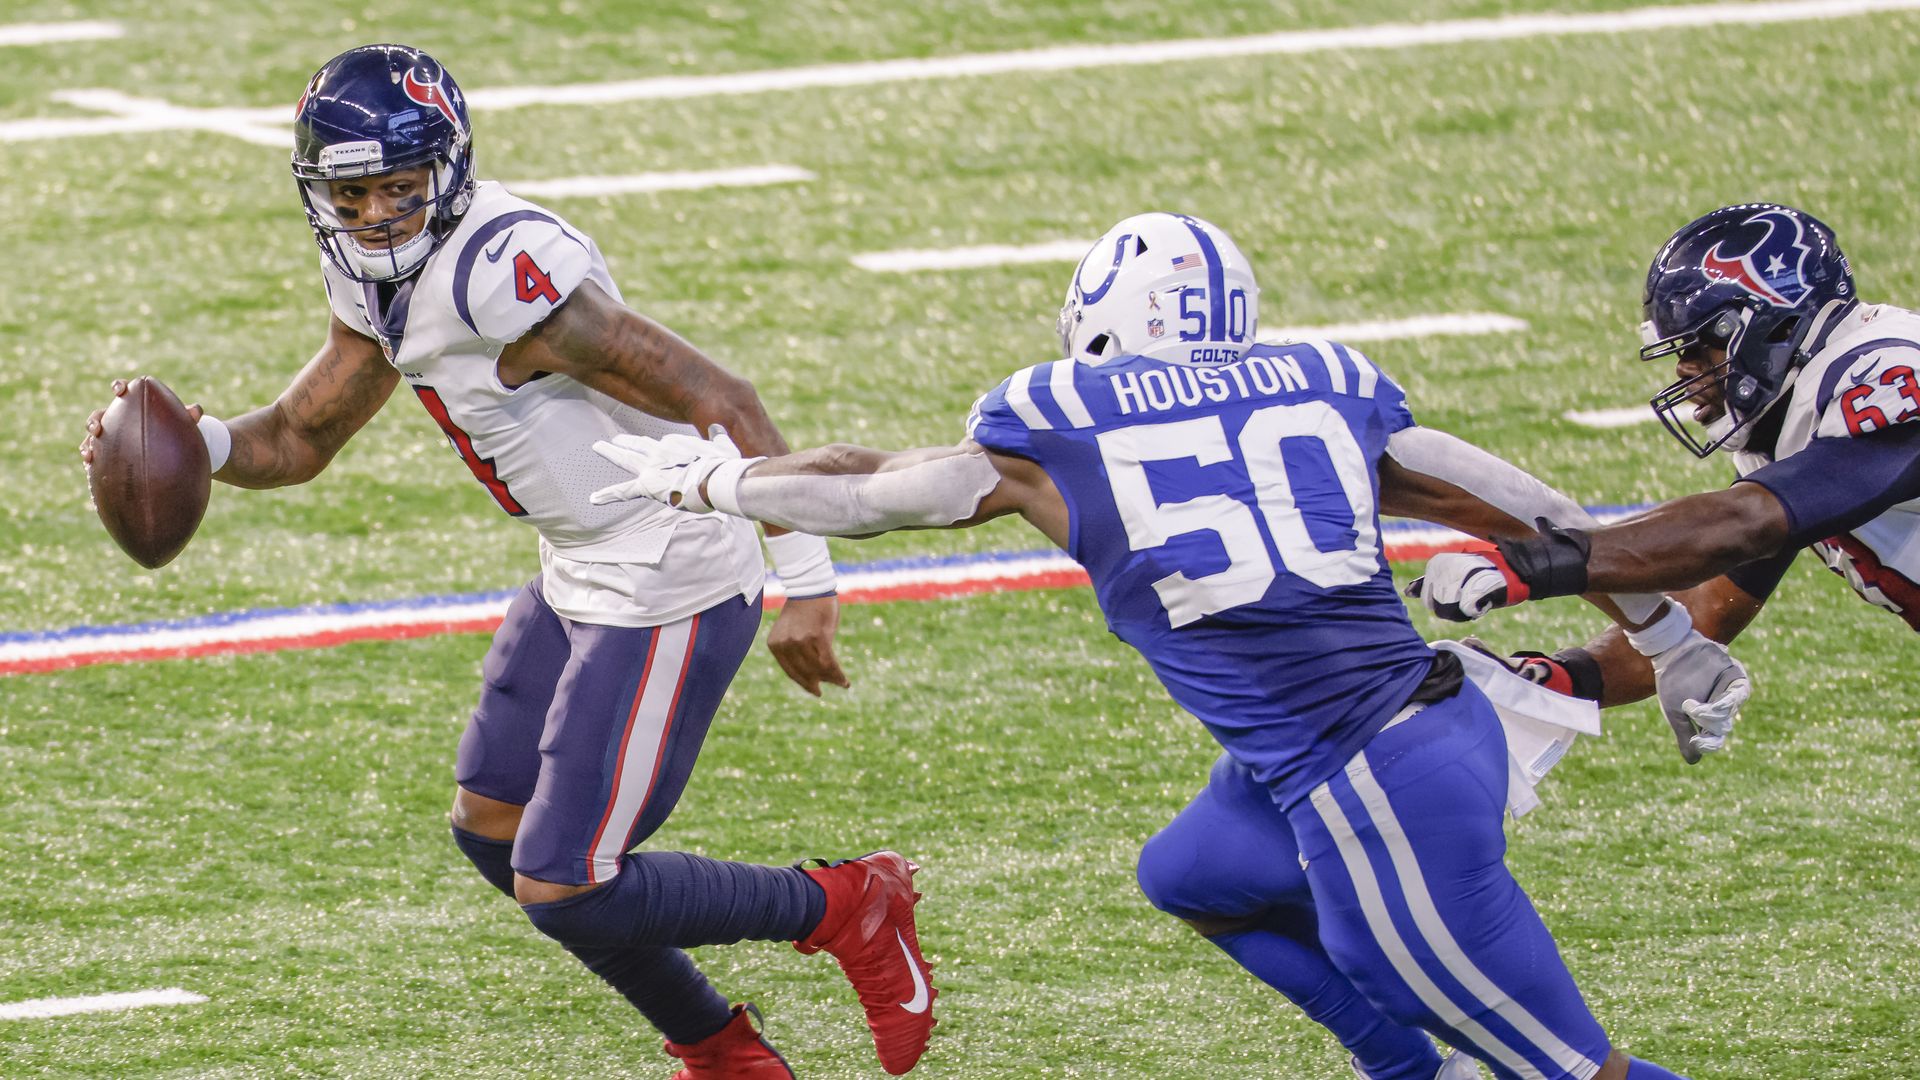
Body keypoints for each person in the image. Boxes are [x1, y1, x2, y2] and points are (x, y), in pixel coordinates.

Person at [586, 212, 1744, 1079]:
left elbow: (877, 490)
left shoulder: (1061, 421)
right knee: (1195, 875)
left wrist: (723, 481)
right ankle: (1408, 1064)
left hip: (1369, 779)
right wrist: (1667, 631)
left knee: (1570, 1071)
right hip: (1379, 738)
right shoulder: (1322, 382)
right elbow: (1514, 499)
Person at [78, 44, 935, 1079]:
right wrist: (191, 444)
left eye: (403, 187)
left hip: (669, 568)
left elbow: (726, 398)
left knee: (566, 879)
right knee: (494, 831)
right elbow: (300, 441)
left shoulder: (504, 274)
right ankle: (722, 1050)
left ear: (451, 171)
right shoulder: (365, 267)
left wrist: (807, 580)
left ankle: (847, 904)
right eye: (355, 193)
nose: (381, 214)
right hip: (578, 563)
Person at [1408, 203, 1920, 759]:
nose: (1684, 370)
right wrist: (1554, 676)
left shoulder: (1884, 373)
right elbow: (1704, 609)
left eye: (1701, 346)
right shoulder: (1789, 423)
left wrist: (1533, 563)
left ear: (1779, 323)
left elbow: (1740, 524)